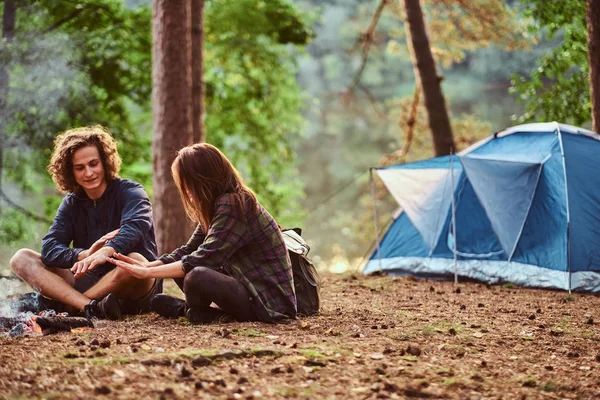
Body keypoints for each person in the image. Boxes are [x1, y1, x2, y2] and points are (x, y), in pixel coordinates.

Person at [108, 143, 297, 324]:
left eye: (186, 183)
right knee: (182, 267)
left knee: (196, 275)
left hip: (268, 302)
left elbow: (205, 258)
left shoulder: (234, 204)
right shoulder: (215, 206)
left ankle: (189, 310)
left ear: (201, 180)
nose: (186, 191)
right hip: (245, 288)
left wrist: (148, 272)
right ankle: (197, 312)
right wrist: (149, 266)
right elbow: (188, 251)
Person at [10, 125, 159, 320]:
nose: (88, 173)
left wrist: (107, 250)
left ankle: (69, 305)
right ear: (70, 172)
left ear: (104, 162)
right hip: (89, 280)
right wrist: (83, 255)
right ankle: (89, 307)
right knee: (21, 258)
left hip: (133, 285)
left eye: (93, 164)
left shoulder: (131, 192)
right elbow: (49, 248)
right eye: (80, 168)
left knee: (134, 261)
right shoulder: (72, 202)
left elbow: (135, 226)